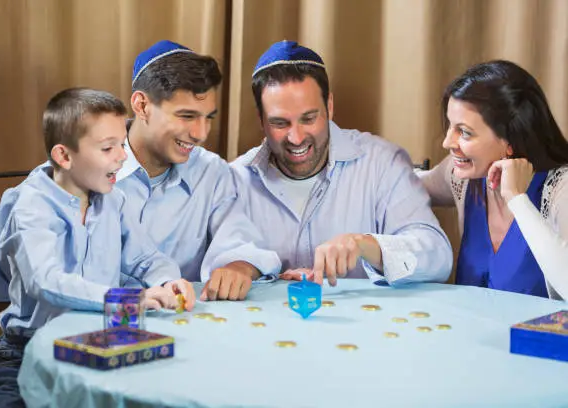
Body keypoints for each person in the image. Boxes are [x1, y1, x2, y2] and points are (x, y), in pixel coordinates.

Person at [0, 88, 195, 407]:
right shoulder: (31, 206)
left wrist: (168, 281)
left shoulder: (114, 200)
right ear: (64, 156)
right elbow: (44, 281)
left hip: (99, 339)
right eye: (108, 148)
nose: (123, 157)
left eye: (122, 145)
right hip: (29, 349)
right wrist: (130, 298)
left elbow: (145, 257)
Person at [231, 40, 452, 287]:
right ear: (261, 120)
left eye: (309, 118)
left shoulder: (382, 163)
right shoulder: (234, 180)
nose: (296, 137)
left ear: (330, 107)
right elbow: (213, 269)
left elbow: (438, 256)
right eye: (280, 123)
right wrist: (260, 275)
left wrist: (366, 245)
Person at [119, 40, 281, 301]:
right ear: (142, 106)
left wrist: (238, 267)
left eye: (208, 118)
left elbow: (238, 238)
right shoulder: (83, 170)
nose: (200, 134)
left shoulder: (211, 171)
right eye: (186, 116)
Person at [418, 60, 568, 300]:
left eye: (464, 132)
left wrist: (517, 199)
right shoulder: (463, 176)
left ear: (509, 141)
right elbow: (404, 188)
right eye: (450, 127)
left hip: (533, 339)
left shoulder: (561, 188)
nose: (447, 143)